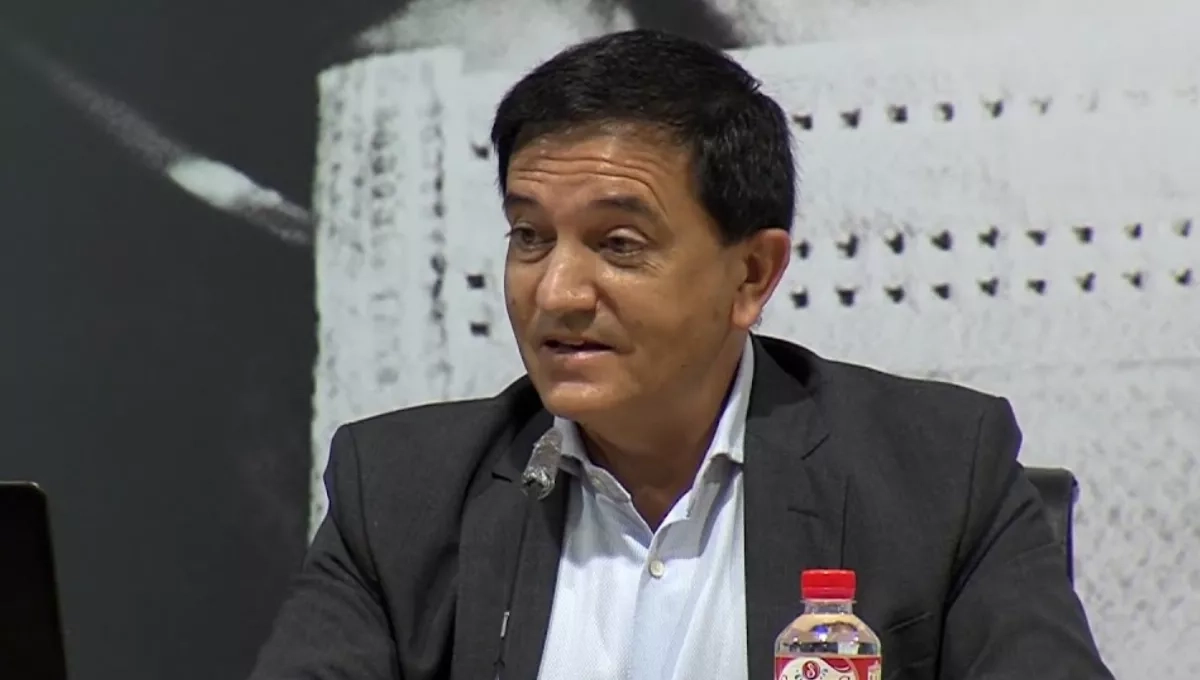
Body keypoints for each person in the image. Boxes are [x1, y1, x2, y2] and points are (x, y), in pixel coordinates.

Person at [249, 29, 1114, 680]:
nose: (557, 292)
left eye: (618, 244)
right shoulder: (398, 494)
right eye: (529, 237)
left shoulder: (938, 474)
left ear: (751, 274)